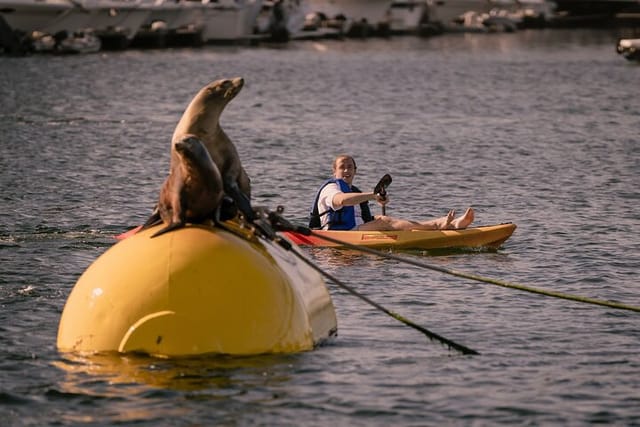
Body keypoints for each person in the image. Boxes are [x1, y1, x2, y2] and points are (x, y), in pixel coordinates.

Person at [309, 154, 475, 231]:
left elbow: (362, 215)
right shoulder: (330, 188)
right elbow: (342, 201)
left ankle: (447, 224)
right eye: (342, 167)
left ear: (355, 171)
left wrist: (379, 200)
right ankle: (442, 225)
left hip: (356, 229)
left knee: (383, 219)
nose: (346, 170)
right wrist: (373, 196)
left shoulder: (354, 190)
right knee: (385, 222)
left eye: (350, 167)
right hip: (339, 234)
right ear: (334, 171)